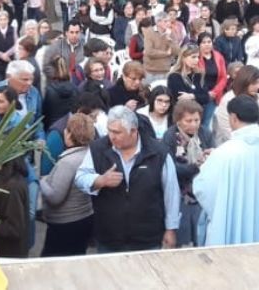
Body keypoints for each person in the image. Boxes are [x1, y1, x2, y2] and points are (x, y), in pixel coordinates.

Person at [75, 106, 180, 252]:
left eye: (117, 132)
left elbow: (171, 193)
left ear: (133, 131)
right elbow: (80, 178)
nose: (111, 136)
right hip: (109, 239)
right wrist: (100, 180)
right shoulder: (97, 149)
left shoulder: (158, 153)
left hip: (147, 240)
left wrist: (171, 229)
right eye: (109, 130)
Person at [194, 95, 259, 246]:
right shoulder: (224, 152)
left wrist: (209, 163)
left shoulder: (225, 153)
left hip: (230, 224)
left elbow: (204, 189)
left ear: (234, 118)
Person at [40, 113, 95, 257]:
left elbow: (55, 197)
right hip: (84, 217)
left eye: (67, 129)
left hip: (65, 223)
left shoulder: (68, 162)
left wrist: (41, 181)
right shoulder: (89, 154)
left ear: (70, 135)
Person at [162, 100, 213, 246]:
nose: (194, 124)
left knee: (201, 234)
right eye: (188, 120)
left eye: (196, 120)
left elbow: (213, 157)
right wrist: (195, 167)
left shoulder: (205, 133)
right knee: (182, 237)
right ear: (178, 120)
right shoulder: (170, 136)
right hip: (179, 193)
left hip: (201, 192)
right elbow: (170, 167)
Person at [0, 60, 44, 140]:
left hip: (25, 145)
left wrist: (40, 138)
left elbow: (38, 121)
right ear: (10, 77)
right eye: (25, 79)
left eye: (31, 79)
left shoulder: (34, 92)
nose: (29, 83)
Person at [213, 65, 259, 146]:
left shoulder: (256, 97)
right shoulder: (228, 99)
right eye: (254, 83)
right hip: (232, 145)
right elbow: (226, 129)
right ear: (244, 82)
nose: (258, 87)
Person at [167, 46, 211, 112]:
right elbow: (181, 98)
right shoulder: (174, 76)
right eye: (193, 57)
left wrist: (192, 96)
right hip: (181, 114)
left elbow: (206, 97)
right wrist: (198, 95)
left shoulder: (199, 75)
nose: (197, 60)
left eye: (198, 57)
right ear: (183, 58)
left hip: (198, 113)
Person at [143, 12, 180, 84]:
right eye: (165, 21)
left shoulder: (171, 33)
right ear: (158, 22)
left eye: (169, 21)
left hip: (166, 70)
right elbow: (149, 52)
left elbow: (177, 51)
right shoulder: (149, 32)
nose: (168, 23)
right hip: (151, 71)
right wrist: (166, 53)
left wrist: (169, 41)